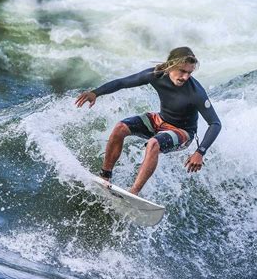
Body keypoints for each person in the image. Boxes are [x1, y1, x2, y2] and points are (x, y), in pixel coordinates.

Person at [75, 47, 222, 195]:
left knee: (153, 143)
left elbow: (215, 123)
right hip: (160, 120)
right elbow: (122, 82)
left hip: (183, 132)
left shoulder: (196, 93)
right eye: (182, 71)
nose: (185, 77)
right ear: (170, 65)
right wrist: (95, 93)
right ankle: (105, 176)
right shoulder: (156, 75)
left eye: (189, 73)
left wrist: (200, 152)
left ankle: (133, 193)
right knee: (120, 127)